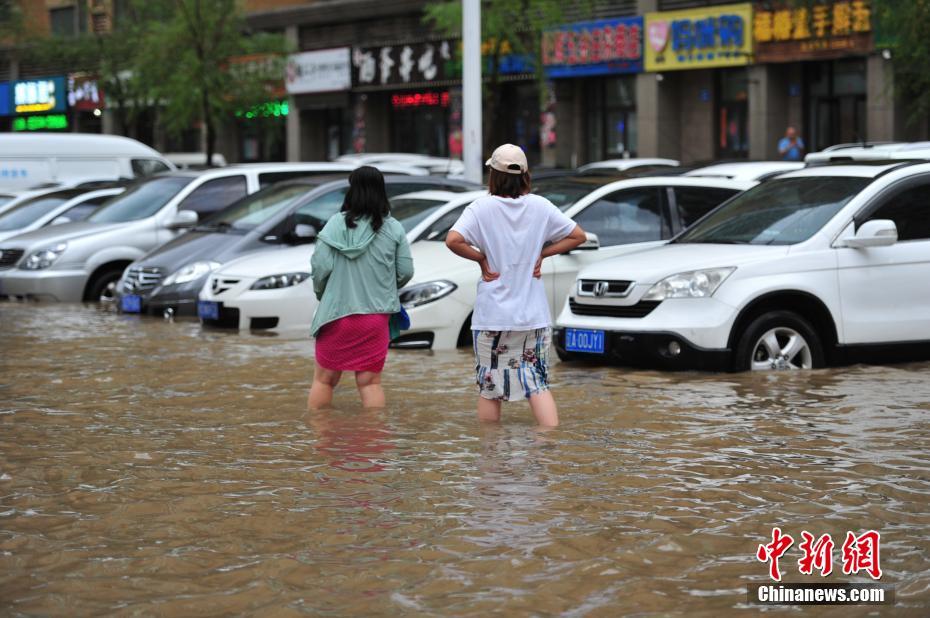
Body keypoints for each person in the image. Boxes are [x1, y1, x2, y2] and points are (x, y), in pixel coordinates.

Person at [445, 144, 586, 427]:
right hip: (533, 314)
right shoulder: (540, 206)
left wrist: (481, 258)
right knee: (537, 382)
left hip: (493, 315)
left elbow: (453, 240)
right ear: (525, 175)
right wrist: (542, 254)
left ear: (493, 175)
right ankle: (548, 443)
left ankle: (491, 448)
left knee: (490, 385)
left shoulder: (481, 208)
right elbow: (578, 236)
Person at [308, 166, 414, 409]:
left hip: (335, 314)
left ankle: (319, 432)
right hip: (375, 317)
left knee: (324, 380)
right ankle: (373, 432)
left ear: (352, 190)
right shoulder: (393, 227)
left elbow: (321, 267)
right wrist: (385, 288)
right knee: (370, 383)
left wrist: (323, 294)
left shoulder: (335, 224)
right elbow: (406, 271)